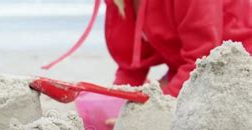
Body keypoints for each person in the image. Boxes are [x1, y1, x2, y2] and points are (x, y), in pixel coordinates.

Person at [43, 0, 252, 97]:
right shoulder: (120, 2)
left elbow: (202, 60)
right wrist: (114, 101)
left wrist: (162, 101)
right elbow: (131, 69)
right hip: (187, 68)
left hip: (237, 65)